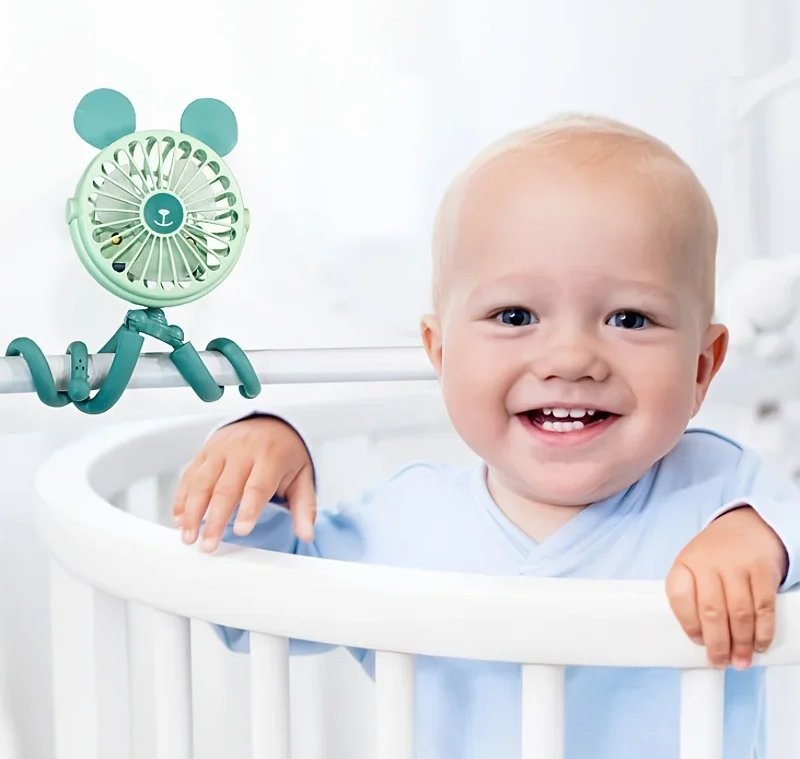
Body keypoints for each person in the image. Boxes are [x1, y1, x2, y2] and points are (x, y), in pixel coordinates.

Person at [173, 114, 800, 759]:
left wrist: (763, 543)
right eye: (515, 315)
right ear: (441, 352)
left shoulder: (722, 492)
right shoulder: (406, 523)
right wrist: (258, 460)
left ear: (701, 367)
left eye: (630, 319)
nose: (571, 358)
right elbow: (248, 609)